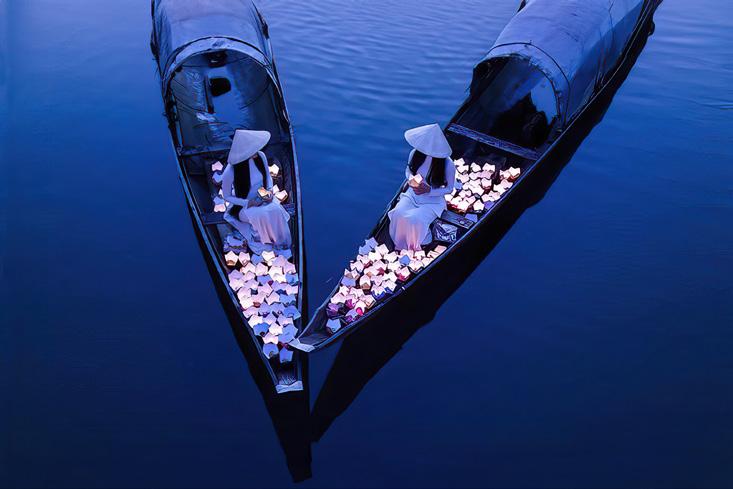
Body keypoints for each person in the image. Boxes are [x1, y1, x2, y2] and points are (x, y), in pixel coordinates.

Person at [388, 124, 456, 251]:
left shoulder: (448, 164)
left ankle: (422, 241)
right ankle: (400, 242)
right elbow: (408, 170)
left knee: (415, 218)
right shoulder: (415, 154)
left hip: (433, 201)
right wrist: (411, 180)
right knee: (398, 212)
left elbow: (449, 189)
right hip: (413, 194)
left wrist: (429, 190)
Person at [221, 129, 292, 251]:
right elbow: (226, 196)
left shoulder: (261, 156)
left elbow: (268, 177)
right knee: (261, 214)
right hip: (244, 206)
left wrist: (269, 192)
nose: (257, 150)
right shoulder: (231, 170)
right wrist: (248, 202)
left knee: (275, 210)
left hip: (263, 197)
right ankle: (261, 239)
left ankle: (280, 241)